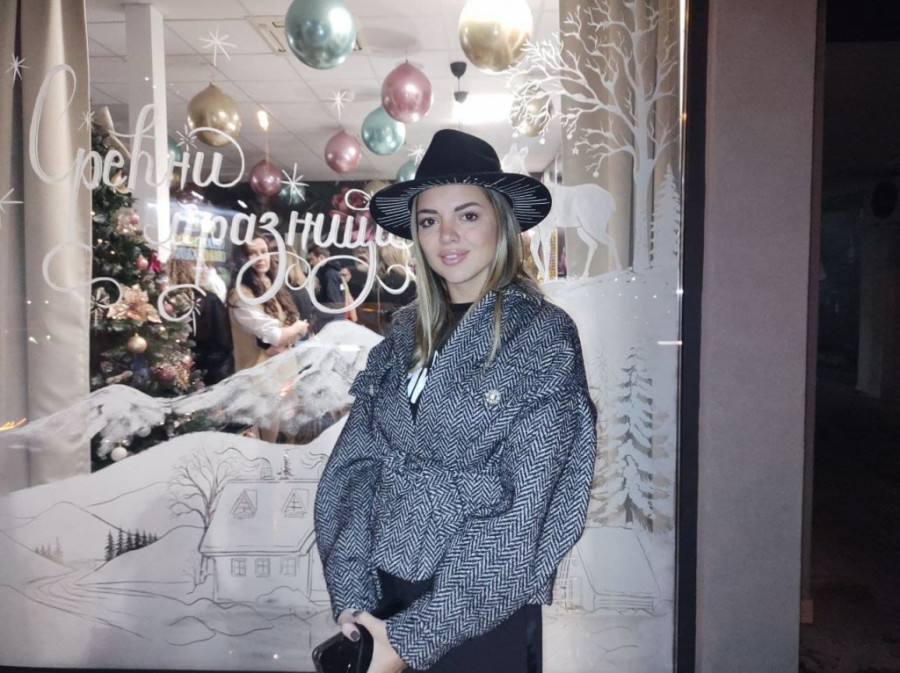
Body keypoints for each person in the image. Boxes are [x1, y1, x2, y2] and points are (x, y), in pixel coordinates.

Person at [313, 129, 597, 673]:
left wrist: (414, 637)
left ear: (501, 223)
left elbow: (529, 509)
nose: (446, 235)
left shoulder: (542, 336)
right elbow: (354, 464)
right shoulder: (404, 334)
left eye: (467, 215)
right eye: (428, 220)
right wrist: (352, 591)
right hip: (385, 590)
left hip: (482, 606)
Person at [228, 235, 309, 441]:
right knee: (268, 437)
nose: (260, 258)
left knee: (288, 431)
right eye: (252, 253)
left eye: (263, 252)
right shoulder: (242, 295)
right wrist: (294, 329)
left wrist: (289, 335)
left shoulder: (272, 286)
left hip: (283, 371)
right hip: (260, 377)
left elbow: (291, 330)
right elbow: (275, 334)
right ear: (242, 258)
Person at [166, 257, 234, 385]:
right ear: (188, 269)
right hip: (208, 374)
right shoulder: (208, 300)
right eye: (201, 265)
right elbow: (223, 342)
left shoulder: (166, 300)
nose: (206, 269)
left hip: (175, 373)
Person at [307, 244, 347, 330]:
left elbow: (334, 303)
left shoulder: (329, 275)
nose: (311, 263)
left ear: (321, 258)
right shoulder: (330, 273)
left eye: (312, 259)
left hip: (330, 323)